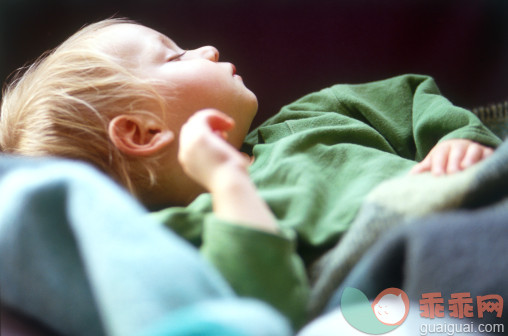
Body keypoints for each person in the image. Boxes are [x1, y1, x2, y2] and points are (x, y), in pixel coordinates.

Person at [0, 18, 501, 329]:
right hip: (396, 284)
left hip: (478, 201)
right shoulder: (183, 241)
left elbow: (414, 100)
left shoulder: (317, 114)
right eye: (175, 56)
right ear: (142, 132)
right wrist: (227, 182)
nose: (208, 50)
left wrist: (456, 139)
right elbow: (267, 309)